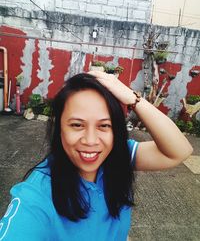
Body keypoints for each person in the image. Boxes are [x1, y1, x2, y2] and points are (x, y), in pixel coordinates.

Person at [0, 71, 193, 241]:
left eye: (104, 125)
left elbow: (180, 150)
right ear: (59, 128)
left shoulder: (117, 156)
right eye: (77, 125)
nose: (91, 141)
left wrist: (133, 99)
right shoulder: (36, 198)